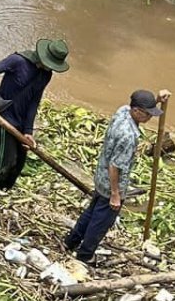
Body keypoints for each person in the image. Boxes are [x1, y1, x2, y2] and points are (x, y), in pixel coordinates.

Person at [63, 88, 166, 263]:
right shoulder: (129, 136)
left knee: (92, 211)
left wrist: (155, 101)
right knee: (101, 221)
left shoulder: (123, 111)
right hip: (112, 181)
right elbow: (115, 166)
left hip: (100, 176)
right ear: (136, 111)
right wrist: (115, 194)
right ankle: (85, 255)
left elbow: (110, 164)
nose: (150, 118)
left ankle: (70, 242)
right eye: (148, 114)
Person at [0, 38, 69, 191]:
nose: (49, 68)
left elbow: (34, 101)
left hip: (20, 122)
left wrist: (28, 131)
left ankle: (4, 189)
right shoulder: (18, 61)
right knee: (3, 161)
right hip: (3, 117)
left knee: (19, 161)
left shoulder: (46, 75)